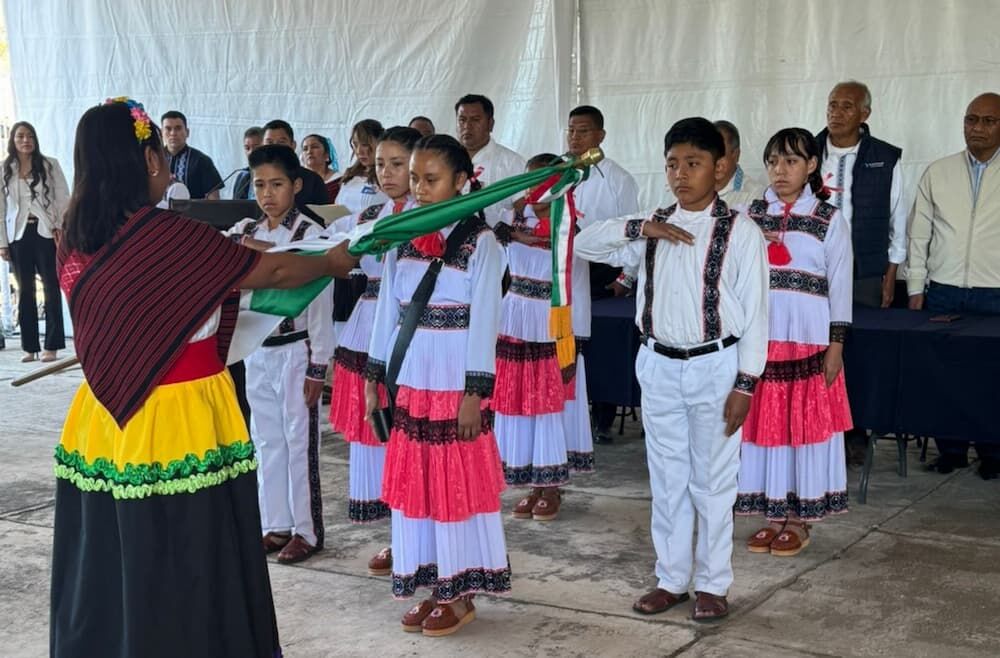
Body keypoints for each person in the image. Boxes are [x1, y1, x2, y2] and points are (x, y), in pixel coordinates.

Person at [51, 98, 358, 658]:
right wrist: (331, 263)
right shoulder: (171, 237)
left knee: (119, 547)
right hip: (182, 414)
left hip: (103, 416)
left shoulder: (72, 237)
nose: (169, 165)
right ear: (146, 160)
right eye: (160, 156)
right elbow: (276, 269)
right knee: (190, 546)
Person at [575, 117, 769, 622]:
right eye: (672, 164)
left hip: (717, 366)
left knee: (713, 480)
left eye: (694, 163)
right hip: (658, 363)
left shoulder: (742, 232)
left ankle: (712, 583)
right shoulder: (652, 224)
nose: (681, 174)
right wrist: (641, 228)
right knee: (667, 478)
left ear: (720, 168)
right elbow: (583, 244)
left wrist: (746, 383)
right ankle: (671, 578)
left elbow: (757, 313)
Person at [364, 134, 510, 637]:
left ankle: (459, 589)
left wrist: (474, 394)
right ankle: (428, 581)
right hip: (412, 382)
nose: (420, 189)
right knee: (418, 487)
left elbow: (485, 321)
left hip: (453, 384)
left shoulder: (481, 243)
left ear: (462, 183)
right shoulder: (400, 235)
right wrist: (374, 378)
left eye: (431, 180)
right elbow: (388, 312)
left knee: (454, 486)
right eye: (415, 179)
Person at [736, 128, 853, 557]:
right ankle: (772, 512)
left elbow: (839, 285)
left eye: (790, 161)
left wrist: (836, 345)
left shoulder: (829, 218)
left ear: (811, 166)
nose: (780, 171)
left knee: (802, 429)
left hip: (808, 340)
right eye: (772, 162)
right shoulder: (748, 214)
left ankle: (799, 517)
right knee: (767, 428)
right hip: (760, 340)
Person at [223, 144, 336, 564]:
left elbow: (321, 305)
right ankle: (275, 524)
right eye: (259, 185)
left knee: (297, 439)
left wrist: (319, 365)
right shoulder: (242, 231)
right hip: (257, 349)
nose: (267, 194)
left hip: (296, 349)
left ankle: (307, 531)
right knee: (266, 439)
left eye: (277, 184)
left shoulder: (312, 236)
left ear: (296, 185)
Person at [326, 126, 421, 576]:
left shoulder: (429, 219)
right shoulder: (373, 214)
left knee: (408, 440)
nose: (386, 172)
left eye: (397, 164)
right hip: (367, 330)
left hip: (409, 335)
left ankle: (415, 538)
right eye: (380, 163)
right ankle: (397, 536)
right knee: (375, 439)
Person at [907, 91, 1000, 479]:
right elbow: (919, 235)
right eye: (970, 119)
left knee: (992, 377)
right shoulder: (938, 172)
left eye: (988, 121)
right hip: (943, 290)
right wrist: (915, 288)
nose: (976, 128)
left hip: (995, 293)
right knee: (943, 376)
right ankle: (951, 451)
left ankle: (993, 453)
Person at [816, 81, 907, 465]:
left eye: (846, 106)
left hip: (865, 272)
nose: (836, 112)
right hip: (814, 272)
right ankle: (819, 428)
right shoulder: (808, 150)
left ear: (864, 114)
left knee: (858, 353)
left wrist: (891, 272)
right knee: (815, 349)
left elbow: (897, 219)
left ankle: (854, 433)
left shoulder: (885, 157)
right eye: (832, 104)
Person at [493, 153, 574, 521]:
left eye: (543, 181)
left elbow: (563, 249)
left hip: (548, 312)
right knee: (517, 400)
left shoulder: (564, 217)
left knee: (545, 400)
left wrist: (538, 214)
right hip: (515, 309)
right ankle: (529, 480)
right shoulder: (513, 214)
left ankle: (550, 483)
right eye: (530, 181)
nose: (534, 188)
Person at [562, 105, 641, 448]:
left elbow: (632, 231)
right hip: (564, 268)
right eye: (571, 131)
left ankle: (602, 417)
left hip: (602, 271)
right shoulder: (561, 172)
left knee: (601, 343)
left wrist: (625, 278)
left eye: (583, 131)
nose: (575, 137)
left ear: (600, 136)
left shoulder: (618, 178)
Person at [0, 121, 69, 362]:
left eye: (30, 136)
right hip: (18, 235)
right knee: (25, 289)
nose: (25, 140)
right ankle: (30, 347)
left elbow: (63, 197)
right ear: (13, 140)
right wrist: (2, 242)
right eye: (20, 136)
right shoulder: (4, 168)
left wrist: (60, 227)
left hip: (45, 231)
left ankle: (52, 344)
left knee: (51, 287)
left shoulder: (50, 165)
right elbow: (1, 208)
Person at [455, 94, 525, 226]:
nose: (467, 126)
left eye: (475, 120)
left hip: (497, 243)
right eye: (462, 120)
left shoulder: (512, 163)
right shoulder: (446, 161)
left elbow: (524, 210)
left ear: (490, 124)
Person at [261, 119, 329, 207]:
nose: (275, 147)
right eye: (269, 142)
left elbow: (323, 217)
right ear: (262, 146)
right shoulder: (254, 178)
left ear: (293, 145)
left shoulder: (313, 180)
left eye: (281, 142)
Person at [161, 110, 223, 199]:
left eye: (178, 128)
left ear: (187, 132)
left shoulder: (202, 161)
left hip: (193, 213)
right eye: (168, 129)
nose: (173, 133)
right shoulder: (153, 159)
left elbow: (214, 200)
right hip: (157, 212)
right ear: (161, 132)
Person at [335, 119, 390, 213]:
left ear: (380, 143)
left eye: (365, 144)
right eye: (355, 145)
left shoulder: (388, 175)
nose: (359, 151)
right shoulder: (350, 174)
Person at [713, 120, 765, 209]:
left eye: (721, 154)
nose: (715, 162)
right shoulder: (693, 189)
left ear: (736, 155)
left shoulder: (755, 194)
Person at [302, 133, 341, 202]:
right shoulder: (298, 181)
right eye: (305, 149)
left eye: (314, 147)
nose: (309, 152)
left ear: (326, 154)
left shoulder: (339, 180)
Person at [232, 126, 264, 200]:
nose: (251, 152)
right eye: (247, 148)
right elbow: (233, 206)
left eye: (256, 147)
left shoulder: (275, 174)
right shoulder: (242, 175)